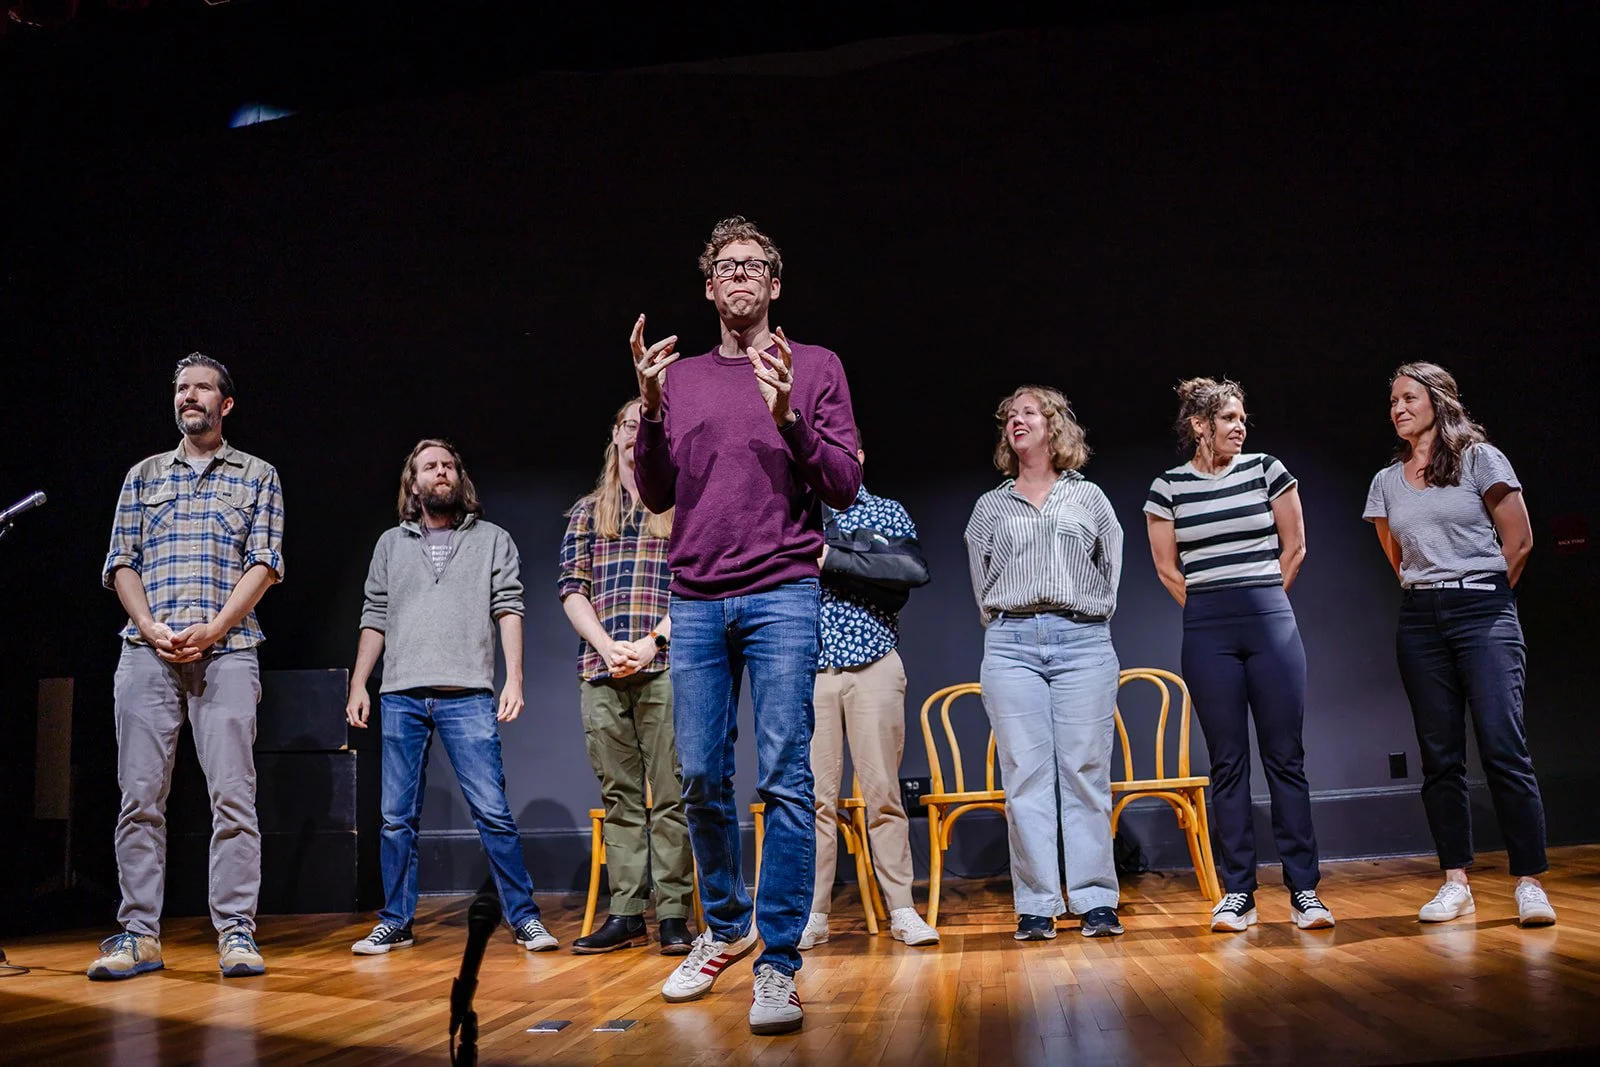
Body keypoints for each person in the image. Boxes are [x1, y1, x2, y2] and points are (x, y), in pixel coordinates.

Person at [631, 216, 861, 1035]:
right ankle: (727, 926)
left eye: (753, 265)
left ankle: (779, 965)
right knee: (697, 771)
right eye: (725, 266)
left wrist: (792, 414)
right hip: (694, 594)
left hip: (783, 592)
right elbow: (656, 494)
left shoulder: (816, 366)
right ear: (707, 286)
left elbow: (842, 486)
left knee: (787, 778)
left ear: (773, 284)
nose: (739, 277)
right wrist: (652, 411)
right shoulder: (681, 378)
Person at [91, 352, 284, 980]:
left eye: (201, 388)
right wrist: (148, 626)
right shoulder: (143, 476)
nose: (188, 397)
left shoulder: (257, 474)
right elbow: (122, 561)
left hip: (227, 654)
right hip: (147, 654)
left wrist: (217, 627)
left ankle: (234, 932)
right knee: (139, 797)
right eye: (181, 388)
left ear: (225, 404)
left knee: (233, 798)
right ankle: (139, 934)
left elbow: (265, 562)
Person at [345, 439, 558, 955]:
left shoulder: (492, 540)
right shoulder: (389, 546)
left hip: (468, 694)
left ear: (459, 479)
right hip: (401, 695)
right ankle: (396, 920)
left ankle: (524, 917)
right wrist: (358, 683)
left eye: (448, 466)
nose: (441, 472)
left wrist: (515, 679)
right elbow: (375, 615)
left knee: (492, 812)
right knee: (396, 818)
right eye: (429, 466)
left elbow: (509, 606)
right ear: (413, 484)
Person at [1363, 362, 1554, 927]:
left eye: (1408, 398)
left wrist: (1483, 597)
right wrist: (1435, 589)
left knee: (1503, 746)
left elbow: (1518, 542)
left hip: (1484, 609)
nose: (1397, 408)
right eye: (1392, 401)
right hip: (1421, 618)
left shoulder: (1479, 459)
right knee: (1439, 756)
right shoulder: (1386, 480)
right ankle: (1455, 882)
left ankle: (1529, 881)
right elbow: (1396, 555)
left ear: (1438, 400)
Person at [1144, 377, 1334, 933]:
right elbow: (1166, 567)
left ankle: (1304, 890)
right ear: (1199, 426)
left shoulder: (1266, 470)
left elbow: (1294, 545)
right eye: (1228, 417)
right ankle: (1238, 894)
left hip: (1269, 620)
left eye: (1242, 418)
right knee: (1227, 762)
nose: (1240, 426)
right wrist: (1209, 607)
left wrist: (1263, 601)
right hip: (1206, 628)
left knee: (1285, 758)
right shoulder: (1168, 487)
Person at [963, 385, 1124, 941]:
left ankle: (1096, 899)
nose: (1016, 420)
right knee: (1025, 777)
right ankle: (1037, 904)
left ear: (1054, 426)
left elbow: (1111, 570)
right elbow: (981, 583)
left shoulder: (1090, 498)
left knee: (1084, 773)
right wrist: (1014, 623)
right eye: (1009, 415)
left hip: (1082, 640)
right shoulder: (991, 506)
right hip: (1011, 644)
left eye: (1029, 412)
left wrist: (1083, 618)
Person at [558, 399, 695, 956]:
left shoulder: (682, 507)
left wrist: (651, 642)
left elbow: (692, 587)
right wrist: (606, 645)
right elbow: (572, 588)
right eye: (628, 424)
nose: (636, 431)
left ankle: (673, 916)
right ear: (614, 437)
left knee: (670, 795)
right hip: (602, 666)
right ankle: (627, 912)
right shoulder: (588, 511)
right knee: (620, 797)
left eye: (647, 424)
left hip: (663, 662)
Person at [799, 434, 940, 951]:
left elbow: (904, 577)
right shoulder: (795, 510)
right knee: (814, 799)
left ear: (858, 458)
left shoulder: (884, 510)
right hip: (809, 671)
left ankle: (902, 909)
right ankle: (812, 914)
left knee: (882, 794)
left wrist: (829, 557)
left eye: (844, 453)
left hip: (873, 664)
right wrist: (858, 561)